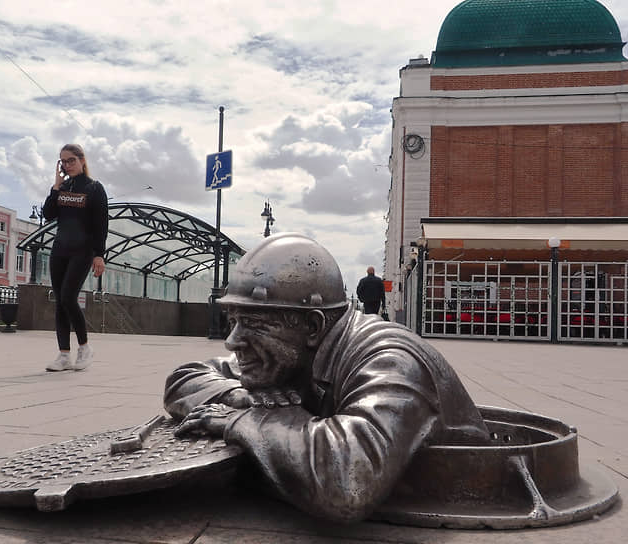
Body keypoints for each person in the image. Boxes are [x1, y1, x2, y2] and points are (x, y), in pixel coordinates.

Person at [164, 233, 489, 523]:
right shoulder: (287, 355)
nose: (232, 341)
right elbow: (184, 379)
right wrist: (239, 398)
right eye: (233, 321)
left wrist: (244, 422)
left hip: (463, 504)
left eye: (253, 322)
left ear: (313, 327)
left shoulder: (391, 359)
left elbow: (349, 481)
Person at [42, 144, 108, 372]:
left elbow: (101, 224)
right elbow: (48, 214)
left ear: (82, 160)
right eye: (63, 161)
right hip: (60, 249)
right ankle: (63, 355)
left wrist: (99, 254)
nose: (67, 165)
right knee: (60, 301)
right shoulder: (63, 187)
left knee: (69, 297)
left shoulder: (94, 188)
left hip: (83, 250)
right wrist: (56, 187)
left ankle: (84, 347)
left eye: (71, 160)